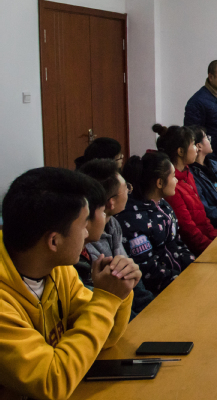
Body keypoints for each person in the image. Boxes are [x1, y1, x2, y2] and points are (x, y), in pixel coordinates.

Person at [0, 167, 139, 400]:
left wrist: (118, 292)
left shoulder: (58, 269)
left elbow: (103, 338)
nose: (87, 233)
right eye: (83, 225)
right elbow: (51, 381)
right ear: (54, 241)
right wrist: (106, 300)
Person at [78, 159, 155, 318]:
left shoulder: (113, 224)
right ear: (110, 203)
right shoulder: (82, 246)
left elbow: (130, 277)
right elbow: (104, 299)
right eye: (126, 188)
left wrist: (151, 311)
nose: (129, 191)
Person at [118, 151, 195, 295]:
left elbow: (177, 243)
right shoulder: (133, 219)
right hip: (161, 291)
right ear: (159, 183)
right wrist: (184, 281)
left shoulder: (164, 205)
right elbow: (149, 271)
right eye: (173, 176)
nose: (176, 180)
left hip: (180, 278)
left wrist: (194, 267)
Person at [153, 124, 217, 255]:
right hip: (195, 251)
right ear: (181, 151)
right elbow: (188, 230)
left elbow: (203, 218)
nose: (196, 149)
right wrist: (213, 249)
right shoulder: (172, 186)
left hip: (206, 244)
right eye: (193, 144)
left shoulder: (187, 174)